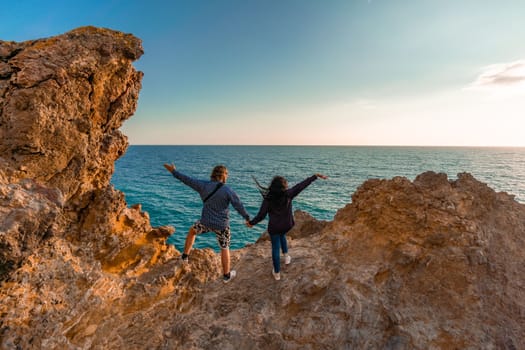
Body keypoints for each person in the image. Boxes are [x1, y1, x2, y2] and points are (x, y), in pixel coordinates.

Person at [164, 163, 251, 283]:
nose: (228, 177)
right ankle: (226, 276)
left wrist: (174, 171)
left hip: (206, 222)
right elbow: (238, 205)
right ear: (223, 175)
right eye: (227, 174)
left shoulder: (203, 185)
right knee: (224, 247)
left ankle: (184, 257)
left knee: (192, 231)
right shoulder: (228, 190)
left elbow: (187, 180)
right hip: (222, 226)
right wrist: (247, 218)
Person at [247, 173, 328, 280]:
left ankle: (276, 273)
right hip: (287, 225)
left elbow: (261, 216)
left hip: (275, 227)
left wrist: (251, 223)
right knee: (282, 235)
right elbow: (301, 186)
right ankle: (286, 257)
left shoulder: (268, 199)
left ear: (272, 186)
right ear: (283, 187)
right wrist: (314, 176)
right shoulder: (288, 194)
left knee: (275, 248)